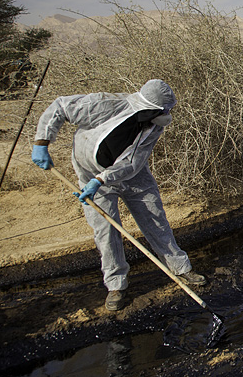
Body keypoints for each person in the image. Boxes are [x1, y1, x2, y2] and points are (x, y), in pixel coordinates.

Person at [31, 79, 206, 312]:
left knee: (156, 220)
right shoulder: (106, 104)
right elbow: (61, 106)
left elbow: (132, 163)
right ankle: (116, 285)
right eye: (163, 111)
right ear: (149, 107)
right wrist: (42, 142)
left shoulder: (155, 125)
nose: (166, 115)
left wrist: (102, 179)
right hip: (91, 176)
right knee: (106, 231)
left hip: (131, 177)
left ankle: (181, 268)